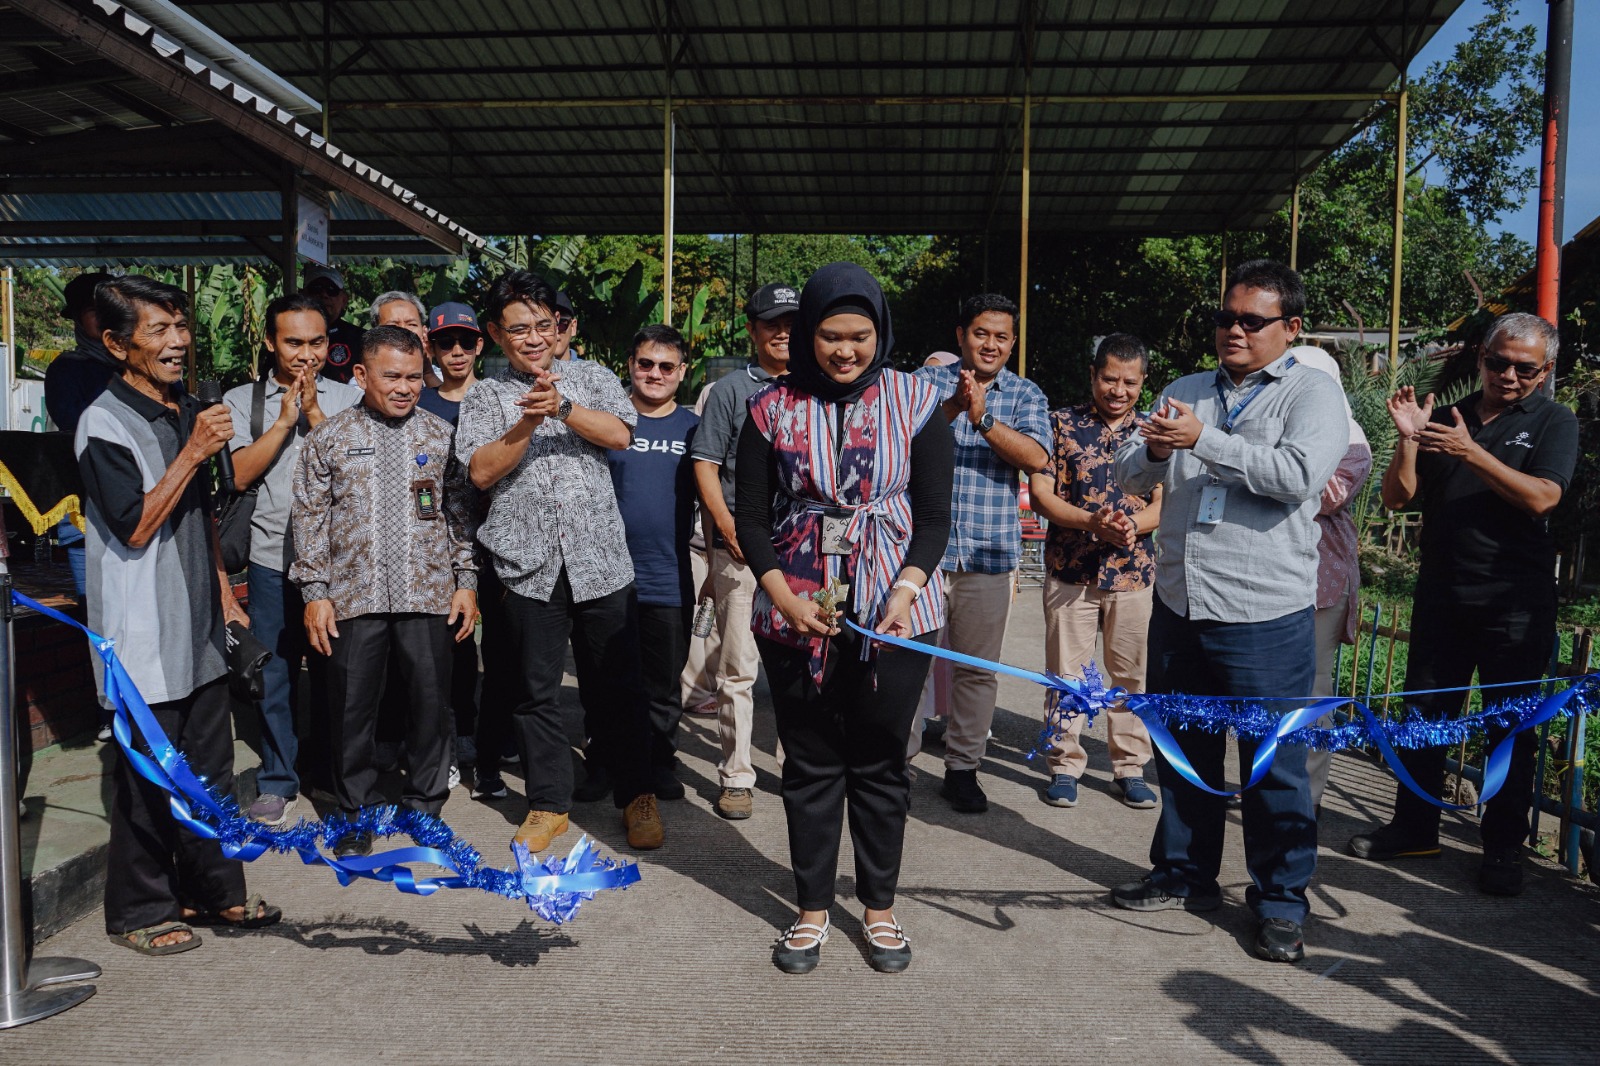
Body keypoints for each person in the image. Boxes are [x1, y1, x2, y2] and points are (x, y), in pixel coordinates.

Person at [1111, 259, 1347, 964]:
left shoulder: (1312, 396)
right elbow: (1128, 471)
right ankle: (1184, 874)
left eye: (1253, 321)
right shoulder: (1186, 390)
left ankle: (1279, 902)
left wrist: (1203, 441)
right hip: (1181, 603)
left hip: (1263, 614)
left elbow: (1299, 477)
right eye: (1226, 318)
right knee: (1184, 753)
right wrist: (1153, 446)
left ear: (1291, 328)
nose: (1234, 331)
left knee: (1272, 764)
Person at [735, 262, 953, 975]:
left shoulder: (918, 402)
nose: (845, 350)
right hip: (796, 602)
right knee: (810, 760)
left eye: (859, 336)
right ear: (807, 334)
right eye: (830, 335)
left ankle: (881, 910)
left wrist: (906, 587)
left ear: (879, 332)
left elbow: (934, 517)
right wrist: (786, 597)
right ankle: (810, 911)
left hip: (896, 606)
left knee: (881, 759)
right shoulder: (770, 409)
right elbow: (751, 517)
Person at [76, 275, 279, 955]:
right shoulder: (102, 422)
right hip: (142, 635)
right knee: (146, 778)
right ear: (115, 343)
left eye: (180, 326)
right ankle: (138, 910)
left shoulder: (185, 407)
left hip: (197, 626)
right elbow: (133, 526)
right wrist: (194, 450)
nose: (178, 342)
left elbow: (200, 517)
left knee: (213, 771)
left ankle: (213, 891)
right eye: (158, 330)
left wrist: (223, 590)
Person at [1348, 312, 1578, 896]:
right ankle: (1414, 827)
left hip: (1514, 601)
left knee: (1509, 726)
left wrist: (1472, 453)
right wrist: (1407, 437)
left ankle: (1502, 848)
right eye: (1497, 362)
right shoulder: (1448, 415)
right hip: (1443, 592)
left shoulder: (1554, 420)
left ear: (1545, 370)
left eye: (1524, 368)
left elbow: (1543, 498)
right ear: (1480, 357)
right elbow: (1398, 499)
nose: (1507, 375)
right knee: (1424, 716)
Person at [455, 270, 664, 853]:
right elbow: (481, 471)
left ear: (558, 327)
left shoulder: (593, 377)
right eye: (517, 328)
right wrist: (529, 418)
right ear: (496, 334)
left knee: (619, 688)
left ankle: (636, 795)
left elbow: (621, 434)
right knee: (534, 692)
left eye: (542, 326)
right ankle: (548, 803)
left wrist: (563, 405)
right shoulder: (486, 395)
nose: (532, 337)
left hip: (601, 563)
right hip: (526, 568)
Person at [290, 326, 478, 858]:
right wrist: (315, 591)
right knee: (351, 710)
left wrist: (466, 583)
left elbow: (459, 516)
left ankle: (424, 809)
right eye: (391, 376)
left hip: (428, 595)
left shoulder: (441, 438)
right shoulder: (327, 439)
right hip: (352, 597)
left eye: (415, 377)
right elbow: (308, 518)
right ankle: (353, 814)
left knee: (430, 705)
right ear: (360, 376)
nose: (405, 387)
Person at [225, 293, 360, 825]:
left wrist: (312, 413)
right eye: (294, 342)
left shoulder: (350, 399)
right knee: (275, 672)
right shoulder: (244, 401)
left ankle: (328, 772)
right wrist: (282, 422)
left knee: (337, 674)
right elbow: (237, 475)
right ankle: (279, 778)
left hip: (337, 563)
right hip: (269, 557)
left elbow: (354, 472)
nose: (306, 354)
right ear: (270, 343)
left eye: (317, 342)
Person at [915, 294, 1051, 813]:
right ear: (960, 336)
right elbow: (900, 441)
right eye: (980, 333)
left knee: (976, 670)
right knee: (910, 662)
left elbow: (1038, 457)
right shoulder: (922, 384)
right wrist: (955, 405)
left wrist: (984, 418)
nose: (990, 344)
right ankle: (895, 766)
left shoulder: (1025, 393)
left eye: (1001, 336)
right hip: (919, 554)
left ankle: (963, 769)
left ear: (1012, 343)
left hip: (990, 553)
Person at [1028, 333, 1161, 810]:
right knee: (1067, 674)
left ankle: (1129, 767)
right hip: (1071, 571)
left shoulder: (1154, 433)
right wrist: (1090, 523)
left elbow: (1163, 503)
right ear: (1093, 375)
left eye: (1129, 381)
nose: (1118, 390)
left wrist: (1129, 527)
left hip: (1133, 573)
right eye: (1109, 379)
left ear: (1142, 382)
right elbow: (1043, 493)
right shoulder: (1060, 424)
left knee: (1130, 675)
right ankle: (1064, 765)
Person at [690, 281, 800, 820]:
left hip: (804, 554)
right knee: (738, 669)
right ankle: (736, 774)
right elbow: (705, 467)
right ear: (753, 330)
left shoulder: (819, 388)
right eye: (771, 323)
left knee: (804, 664)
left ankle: (799, 764)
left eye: (792, 322)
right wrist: (729, 531)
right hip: (739, 552)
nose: (783, 332)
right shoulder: (731, 390)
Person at [605, 324, 700, 799]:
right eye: (646, 363)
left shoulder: (693, 428)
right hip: (607, 576)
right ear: (630, 365)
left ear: (682, 372)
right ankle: (606, 762)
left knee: (663, 685)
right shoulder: (606, 422)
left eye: (666, 366)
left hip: (668, 576)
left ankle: (661, 762)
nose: (655, 373)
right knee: (609, 681)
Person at [1287, 346, 1372, 815]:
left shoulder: (1352, 441)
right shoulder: (1276, 424)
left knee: (1315, 688)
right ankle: (1267, 782)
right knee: (1267, 688)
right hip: (1269, 575)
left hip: (1323, 577)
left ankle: (1309, 796)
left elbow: (1322, 495)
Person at [417, 301, 490, 780]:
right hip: (440, 544)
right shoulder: (420, 401)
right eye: (446, 342)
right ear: (431, 346)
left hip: (499, 540)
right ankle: (450, 737)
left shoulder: (499, 398)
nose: (457, 351)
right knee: (449, 644)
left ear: (480, 345)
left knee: (500, 650)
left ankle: (490, 741)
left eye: (466, 341)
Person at [44, 271, 117, 601]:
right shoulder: (67, 369)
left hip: (148, 509)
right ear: (76, 318)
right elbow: (76, 428)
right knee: (98, 616)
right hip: (85, 510)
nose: (103, 318)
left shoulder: (144, 364)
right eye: (93, 310)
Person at [302, 266, 364, 384]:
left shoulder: (361, 338)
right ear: (303, 295)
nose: (324, 295)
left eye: (331, 290)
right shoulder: (288, 335)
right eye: (316, 289)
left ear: (344, 300)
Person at [371, 291, 437, 386]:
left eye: (411, 324)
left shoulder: (445, 379)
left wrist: (428, 374)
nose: (404, 331)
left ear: (424, 331)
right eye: (393, 325)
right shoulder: (364, 383)